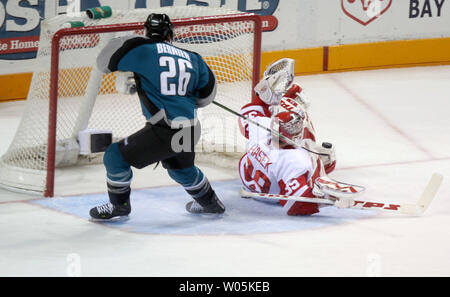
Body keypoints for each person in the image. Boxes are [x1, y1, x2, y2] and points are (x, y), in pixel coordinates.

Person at [89, 13, 225, 221]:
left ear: (146, 32)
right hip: (190, 127)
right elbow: (206, 97)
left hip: (166, 130)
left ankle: (119, 206)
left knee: (114, 156)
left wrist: (129, 41)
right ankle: (212, 203)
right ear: (170, 34)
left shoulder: (141, 48)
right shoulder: (193, 57)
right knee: (181, 170)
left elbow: (104, 63)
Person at [238, 61, 336, 216]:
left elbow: (252, 109)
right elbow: (298, 205)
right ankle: (317, 177)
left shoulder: (260, 126)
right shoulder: (294, 160)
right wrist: (327, 198)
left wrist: (270, 93)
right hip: (272, 196)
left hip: (248, 178)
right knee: (325, 157)